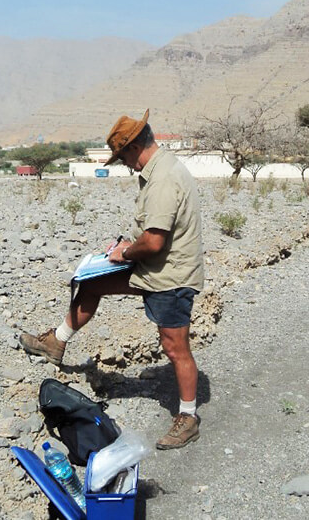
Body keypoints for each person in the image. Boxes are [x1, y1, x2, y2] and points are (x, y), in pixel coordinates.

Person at [20, 109, 205, 450]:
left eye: (124, 157)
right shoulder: (157, 169)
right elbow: (147, 233)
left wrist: (125, 253)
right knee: (91, 284)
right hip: (152, 267)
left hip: (170, 274)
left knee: (174, 346)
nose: (125, 164)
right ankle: (56, 342)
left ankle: (188, 416)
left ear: (135, 147)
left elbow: (154, 242)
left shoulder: (163, 178)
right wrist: (124, 245)